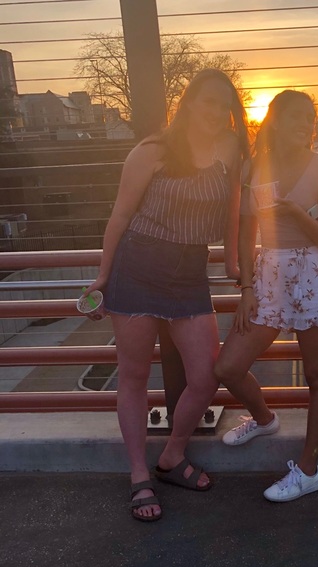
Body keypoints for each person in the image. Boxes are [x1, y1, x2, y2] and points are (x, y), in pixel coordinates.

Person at [84, 68, 249, 521]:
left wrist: (234, 266)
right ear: (189, 102)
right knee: (134, 375)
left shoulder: (231, 149)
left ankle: (172, 455)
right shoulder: (152, 151)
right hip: (138, 266)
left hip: (190, 272)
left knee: (207, 374)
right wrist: (103, 277)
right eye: (209, 101)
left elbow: (234, 212)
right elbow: (120, 217)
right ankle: (139, 474)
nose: (217, 111)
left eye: (225, 104)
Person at [214, 90, 318, 502]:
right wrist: (246, 289)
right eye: (295, 116)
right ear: (275, 120)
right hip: (268, 274)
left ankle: (308, 470)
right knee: (227, 367)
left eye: (310, 118)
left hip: (312, 274)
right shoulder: (254, 166)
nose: (304, 124)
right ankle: (264, 418)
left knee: (317, 376)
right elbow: (245, 234)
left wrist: (296, 215)